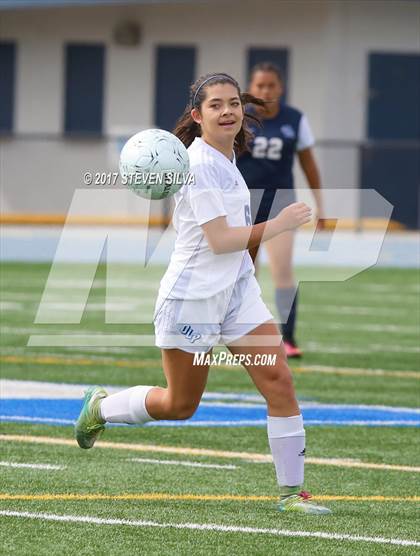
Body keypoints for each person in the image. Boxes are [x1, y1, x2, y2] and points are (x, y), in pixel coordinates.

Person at [74, 72, 331, 515]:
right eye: (215, 105)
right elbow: (220, 240)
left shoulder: (227, 159)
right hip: (192, 298)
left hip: (235, 294)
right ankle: (102, 406)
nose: (227, 110)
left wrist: (247, 278)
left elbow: (233, 247)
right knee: (180, 404)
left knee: (280, 382)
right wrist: (282, 224)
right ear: (197, 115)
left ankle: (292, 494)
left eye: (233, 102)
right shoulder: (198, 166)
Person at [237, 62, 325, 358]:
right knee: (243, 271)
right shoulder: (237, 116)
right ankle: (239, 333)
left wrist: (321, 205)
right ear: (251, 87)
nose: (265, 90)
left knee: (282, 271)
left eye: (271, 85)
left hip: (280, 204)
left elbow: (308, 164)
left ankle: (287, 338)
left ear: (281, 87)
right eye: (259, 85)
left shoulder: (294, 119)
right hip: (243, 203)